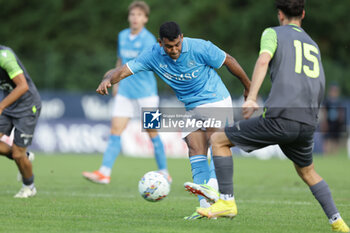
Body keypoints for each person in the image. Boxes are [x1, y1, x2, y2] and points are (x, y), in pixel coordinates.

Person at [184, 0, 350, 231]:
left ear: (280, 15)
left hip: (282, 117)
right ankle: (338, 222)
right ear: (303, 14)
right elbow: (318, 82)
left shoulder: (273, 33)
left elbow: (263, 60)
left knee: (219, 140)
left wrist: (252, 97)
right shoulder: (312, 44)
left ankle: (227, 202)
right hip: (307, 120)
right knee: (307, 171)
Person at [96, 21, 250, 219]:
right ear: (161, 43)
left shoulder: (200, 47)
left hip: (215, 97)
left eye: (177, 44)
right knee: (194, 147)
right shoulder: (152, 55)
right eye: (169, 46)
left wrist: (248, 87)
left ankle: (213, 186)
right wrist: (108, 79)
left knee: (216, 141)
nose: (174, 49)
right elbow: (124, 70)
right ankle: (205, 207)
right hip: (191, 106)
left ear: (182, 38)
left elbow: (228, 60)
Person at [83, 1, 171, 184]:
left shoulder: (148, 40)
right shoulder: (122, 36)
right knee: (115, 130)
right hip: (124, 92)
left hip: (146, 94)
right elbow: (120, 60)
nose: (135, 18)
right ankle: (104, 172)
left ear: (145, 19)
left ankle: (164, 172)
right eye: (132, 14)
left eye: (139, 15)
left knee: (152, 131)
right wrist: (115, 84)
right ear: (129, 17)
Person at [0, 45, 41, 198]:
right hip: (8, 104)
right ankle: (26, 156)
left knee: (18, 154)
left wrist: (1, 106)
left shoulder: (4, 56)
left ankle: (29, 186)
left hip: (27, 106)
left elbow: (22, 86)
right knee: (20, 155)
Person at [321, 83, 345, 155]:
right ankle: (326, 154)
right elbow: (324, 111)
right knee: (327, 140)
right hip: (328, 123)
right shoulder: (327, 101)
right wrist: (324, 123)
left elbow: (341, 112)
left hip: (336, 124)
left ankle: (334, 154)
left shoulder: (339, 101)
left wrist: (341, 122)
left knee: (335, 140)